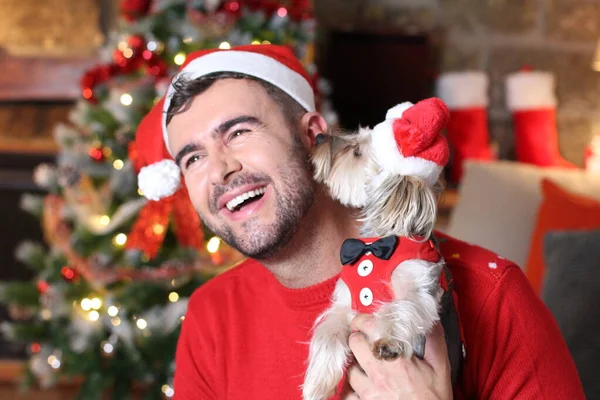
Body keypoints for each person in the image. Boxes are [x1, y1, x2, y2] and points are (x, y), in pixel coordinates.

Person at [134, 44, 585, 399]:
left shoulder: (492, 295)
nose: (219, 170)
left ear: (313, 135)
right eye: (192, 158)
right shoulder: (213, 316)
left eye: (238, 132)